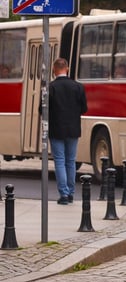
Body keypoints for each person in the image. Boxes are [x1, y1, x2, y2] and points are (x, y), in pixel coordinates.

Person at [48, 58, 88, 204]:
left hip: (56, 129)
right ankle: (71, 193)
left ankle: (63, 194)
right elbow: (84, 108)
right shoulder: (78, 87)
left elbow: (42, 109)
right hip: (73, 129)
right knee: (70, 161)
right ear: (67, 68)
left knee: (59, 160)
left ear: (54, 69)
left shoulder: (50, 87)